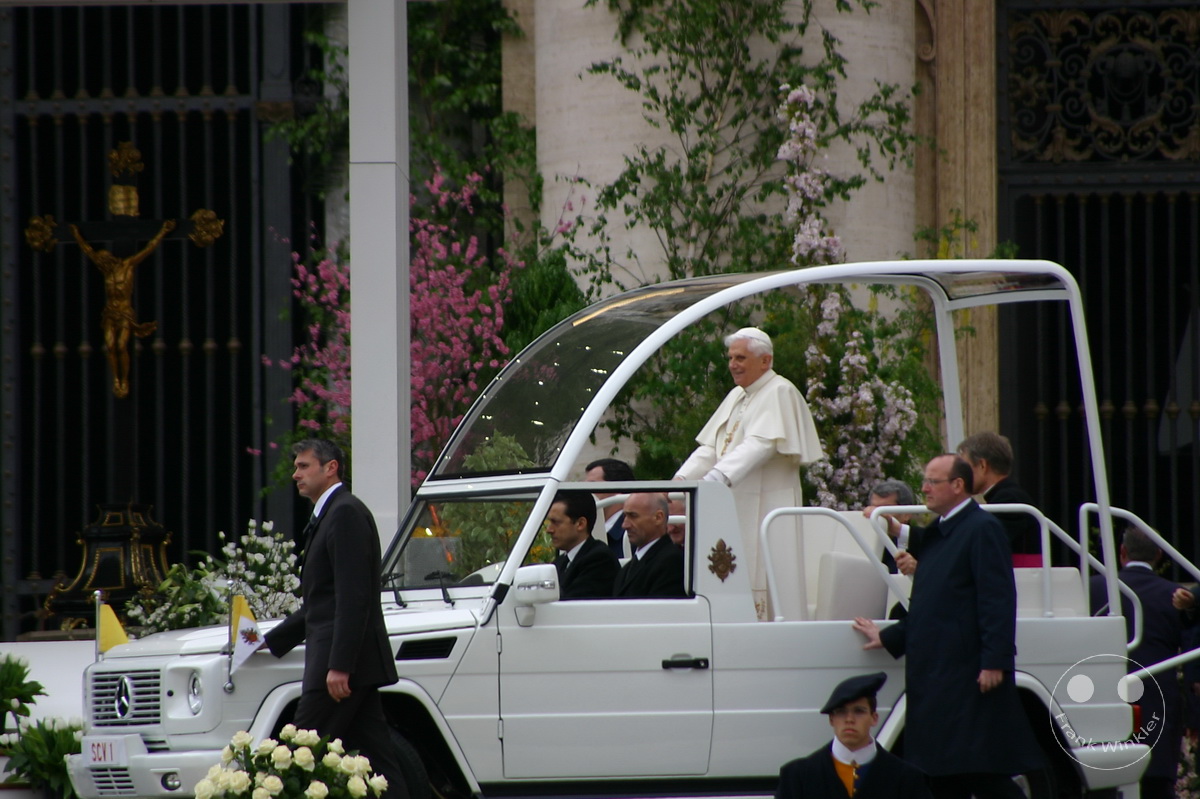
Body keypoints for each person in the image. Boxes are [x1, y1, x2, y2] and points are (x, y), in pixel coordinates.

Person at [852, 455, 1043, 799]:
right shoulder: (946, 531)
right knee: (942, 772)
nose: (924, 488)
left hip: (964, 672)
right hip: (940, 673)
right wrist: (889, 635)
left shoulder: (981, 529)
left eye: (932, 482)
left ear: (957, 485)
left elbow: (996, 599)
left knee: (975, 771)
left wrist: (995, 660)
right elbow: (933, 604)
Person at [264, 440, 410, 799]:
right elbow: (322, 602)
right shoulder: (330, 516)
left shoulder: (344, 513)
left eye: (303, 466)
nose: (295, 474)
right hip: (346, 662)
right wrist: (267, 642)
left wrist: (340, 665)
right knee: (379, 763)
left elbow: (354, 596)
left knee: (296, 753)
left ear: (330, 468)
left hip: (339, 667)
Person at [674, 327, 824, 617]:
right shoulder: (737, 396)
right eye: (730, 357)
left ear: (765, 361)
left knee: (767, 577)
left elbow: (761, 444)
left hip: (768, 505)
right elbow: (712, 447)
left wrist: (713, 481)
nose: (733, 364)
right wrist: (680, 481)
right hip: (733, 503)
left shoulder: (780, 391)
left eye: (740, 357)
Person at [1088, 524, 1197, 799]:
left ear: (1122, 552)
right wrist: (1194, 717)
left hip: (1100, 700)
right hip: (1158, 704)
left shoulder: (1093, 588)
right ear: (1159, 555)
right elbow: (1193, 660)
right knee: (1156, 786)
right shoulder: (1176, 596)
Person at [775, 672, 932, 799]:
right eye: (841, 712)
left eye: (859, 711)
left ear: (874, 718)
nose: (849, 719)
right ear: (832, 719)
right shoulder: (797, 777)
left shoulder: (907, 778)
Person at [70, 219, 176, 398]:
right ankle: (116, 380)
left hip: (125, 313)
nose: (103, 264)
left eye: (105, 262)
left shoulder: (127, 266)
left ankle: (123, 379)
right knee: (111, 346)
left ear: (110, 259)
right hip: (110, 312)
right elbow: (88, 251)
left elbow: (149, 248)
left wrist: (163, 232)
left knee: (121, 345)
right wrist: (76, 235)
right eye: (102, 263)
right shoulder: (107, 271)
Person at [956, 432, 1041, 563]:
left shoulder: (1009, 498)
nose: (960, 475)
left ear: (982, 466)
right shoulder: (1005, 495)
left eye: (964, 468)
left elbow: (977, 542)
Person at [545, 489, 620, 599]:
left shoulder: (600, 560)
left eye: (556, 522)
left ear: (580, 524)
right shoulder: (561, 562)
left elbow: (573, 605)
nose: (549, 530)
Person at [613, 492, 686, 598]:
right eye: (625, 516)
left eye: (633, 516)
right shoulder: (628, 568)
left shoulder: (672, 562)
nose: (625, 525)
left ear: (658, 518)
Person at [862, 479, 919, 575]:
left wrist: (917, 570)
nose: (877, 515)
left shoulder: (924, 546)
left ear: (907, 514)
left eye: (885, 509)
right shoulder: (862, 541)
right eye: (873, 509)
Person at [585, 457, 635, 557]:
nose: (586, 492)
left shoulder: (633, 533)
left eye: (592, 486)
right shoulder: (585, 531)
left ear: (618, 487)